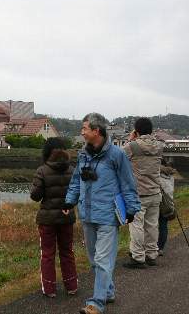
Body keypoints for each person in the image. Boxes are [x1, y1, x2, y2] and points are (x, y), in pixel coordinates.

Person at [63, 113, 140, 314]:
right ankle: (108, 291)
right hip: (87, 214)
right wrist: (70, 201)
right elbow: (75, 181)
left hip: (107, 215)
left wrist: (131, 209)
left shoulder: (117, 155)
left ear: (96, 131)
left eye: (84, 129)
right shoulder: (83, 154)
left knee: (103, 260)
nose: (81, 132)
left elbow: (128, 183)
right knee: (94, 260)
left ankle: (96, 303)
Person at [30, 137, 78, 298]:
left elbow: (35, 196)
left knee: (48, 253)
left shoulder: (42, 170)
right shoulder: (72, 170)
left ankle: (49, 289)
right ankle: (71, 286)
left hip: (47, 220)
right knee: (67, 251)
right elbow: (77, 194)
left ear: (47, 152)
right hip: (67, 218)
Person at [122, 117, 163, 268]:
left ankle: (138, 257)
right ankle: (151, 255)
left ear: (136, 130)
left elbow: (119, 157)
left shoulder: (133, 146)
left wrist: (130, 139)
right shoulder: (159, 146)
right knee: (152, 225)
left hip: (138, 193)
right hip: (155, 192)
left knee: (136, 226)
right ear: (151, 130)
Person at [158, 161, 176, 255]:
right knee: (163, 226)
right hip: (168, 204)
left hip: (158, 203)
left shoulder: (157, 176)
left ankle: (151, 247)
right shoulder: (171, 176)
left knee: (151, 226)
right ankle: (160, 248)